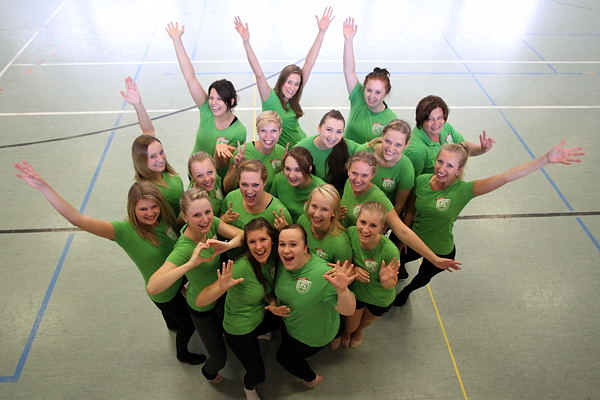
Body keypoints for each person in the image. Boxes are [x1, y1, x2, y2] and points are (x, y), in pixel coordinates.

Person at [14, 161, 205, 365]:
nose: (150, 213)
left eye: (153, 206)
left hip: (177, 279)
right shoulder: (124, 231)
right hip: (163, 292)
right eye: (143, 209)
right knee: (188, 325)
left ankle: (171, 323)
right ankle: (182, 354)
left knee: (173, 319)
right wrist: (44, 187)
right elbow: (78, 219)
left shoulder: (164, 217)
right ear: (133, 209)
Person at [394, 141, 585, 306]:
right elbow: (411, 210)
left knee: (423, 277)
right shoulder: (422, 181)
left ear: (459, 170)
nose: (442, 169)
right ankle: (401, 271)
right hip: (413, 240)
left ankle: (407, 291)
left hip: (440, 249)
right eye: (440, 162)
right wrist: (403, 237)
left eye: (450, 166)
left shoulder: (464, 190)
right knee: (397, 262)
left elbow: (505, 177)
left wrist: (545, 160)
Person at [147, 188, 244, 383]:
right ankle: (209, 373)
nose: (205, 219)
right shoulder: (184, 248)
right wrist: (191, 263)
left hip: (220, 295)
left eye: (207, 212)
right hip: (202, 308)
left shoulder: (211, 224)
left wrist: (227, 245)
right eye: (197, 215)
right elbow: (153, 286)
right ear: (185, 216)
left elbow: (242, 234)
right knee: (219, 358)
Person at [196, 218, 280, 400]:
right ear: (247, 245)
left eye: (263, 239)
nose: (259, 246)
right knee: (258, 374)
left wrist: (273, 304)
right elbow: (201, 300)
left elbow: (269, 289)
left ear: (272, 240)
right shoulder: (240, 267)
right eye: (252, 241)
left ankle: (261, 333)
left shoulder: (272, 259)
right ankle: (249, 389)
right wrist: (221, 287)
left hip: (258, 315)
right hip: (239, 330)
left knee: (279, 320)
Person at [341, 151, 461, 271]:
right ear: (348, 171)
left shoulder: (378, 199)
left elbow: (402, 231)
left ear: (372, 175)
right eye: (354, 173)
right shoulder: (348, 183)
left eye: (364, 175)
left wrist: (434, 259)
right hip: (345, 240)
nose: (358, 179)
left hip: (360, 249)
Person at [234, 7, 335, 147]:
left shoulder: (294, 98)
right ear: (282, 81)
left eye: (296, 84)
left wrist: (321, 32)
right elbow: (259, 74)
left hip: (302, 146)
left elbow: (309, 63)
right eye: (289, 82)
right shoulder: (270, 99)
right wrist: (246, 42)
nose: (293, 88)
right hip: (288, 151)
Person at [274, 224, 356, 388]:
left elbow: (348, 310)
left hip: (313, 337)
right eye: (282, 244)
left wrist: (343, 290)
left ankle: (312, 379)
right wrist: (273, 305)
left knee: (283, 357)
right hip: (292, 324)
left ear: (306, 248)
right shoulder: (282, 264)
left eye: (293, 244)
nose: (286, 250)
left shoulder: (324, 274)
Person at [166, 21, 246, 176]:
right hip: (196, 173)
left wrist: (219, 151)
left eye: (219, 99)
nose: (214, 103)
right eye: (211, 98)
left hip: (216, 179)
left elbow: (224, 165)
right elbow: (190, 77)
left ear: (231, 101)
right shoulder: (206, 109)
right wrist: (177, 40)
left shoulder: (239, 131)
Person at [121, 77, 184, 216]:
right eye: (153, 156)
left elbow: (148, 131)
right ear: (141, 160)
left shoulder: (162, 172)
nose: (161, 159)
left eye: (161, 152)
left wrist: (138, 104)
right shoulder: (147, 190)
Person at [341, 202, 400, 348]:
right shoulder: (350, 233)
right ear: (357, 220)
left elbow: (392, 284)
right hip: (358, 292)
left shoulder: (390, 251)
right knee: (350, 324)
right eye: (363, 222)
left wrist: (386, 281)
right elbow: (344, 260)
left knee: (365, 322)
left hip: (379, 297)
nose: (365, 229)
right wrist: (354, 269)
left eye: (373, 225)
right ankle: (349, 332)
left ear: (382, 228)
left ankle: (358, 331)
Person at [404, 95, 495, 177]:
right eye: (430, 119)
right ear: (421, 119)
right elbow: (411, 184)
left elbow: (463, 147)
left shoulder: (445, 127)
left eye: (440, 118)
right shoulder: (416, 151)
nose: (436, 124)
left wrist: (482, 149)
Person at [342, 17, 397, 144]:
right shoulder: (358, 98)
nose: (371, 96)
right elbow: (349, 70)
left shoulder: (391, 120)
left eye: (378, 92)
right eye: (369, 90)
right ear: (364, 89)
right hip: (344, 153)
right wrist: (348, 40)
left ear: (386, 93)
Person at [355, 119, 415, 215]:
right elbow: (350, 183)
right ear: (382, 136)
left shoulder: (406, 169)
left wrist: (385, 223)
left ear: (406, 145)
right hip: (356, 207)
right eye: (387, 141)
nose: (391, 148)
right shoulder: (363, 152)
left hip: (382, 214)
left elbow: (399, 205)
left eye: (398, 145)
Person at [294, 109, 358, 194]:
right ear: (319, 128)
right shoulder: (301, 149)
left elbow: (367, 149)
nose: (333, 136)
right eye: (329, 129)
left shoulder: (347, 146)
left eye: (339, 132)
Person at [221, 160, 292, 232]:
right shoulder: (231, 199)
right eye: (244, 184)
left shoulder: (279, 213)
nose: (249, 191)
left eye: (255, 185)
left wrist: (284, 231)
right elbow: (218, 228)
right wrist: (223, 220)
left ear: (264, 182)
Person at [223, 111, 286, 193]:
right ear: (257, 131)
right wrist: (236, 168)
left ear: (280, 131)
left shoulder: (282, 152)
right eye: (263, 130)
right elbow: (227, 188)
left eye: (273, 131)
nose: (268, 136)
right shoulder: (242, 152)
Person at [297, 184, 352, 264]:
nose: (317, 214)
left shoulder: (340, 243)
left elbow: (345, 270)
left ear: (334, 212)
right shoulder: (302, 221)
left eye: (324, 209)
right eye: (314, 206)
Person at [270, 147, 326, 222]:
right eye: (287, 169)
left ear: (309, 169)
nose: (291, 175)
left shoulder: (322, 190)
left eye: (298, 170)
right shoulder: (279, 179)